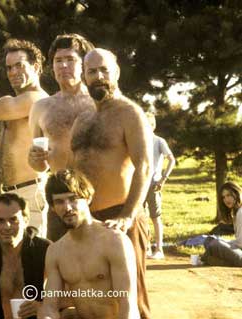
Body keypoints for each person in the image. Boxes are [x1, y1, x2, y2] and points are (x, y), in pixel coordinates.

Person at [70, 48, 153, 318]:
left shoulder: (130, 113)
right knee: (92, 299)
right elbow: (73, 168)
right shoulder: (82, 119)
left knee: (131, 299)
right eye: (92, 71)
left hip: (121, 217)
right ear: (83, 76)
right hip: (85, 221)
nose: (99, 76)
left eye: (105, 70)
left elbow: (145, 166)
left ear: (117, 73)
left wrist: (128, 215)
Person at [39, 170, 138, 319]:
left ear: (88, 198)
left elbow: (128, 306)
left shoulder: (114, 241)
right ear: (52, 208)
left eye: (73, 199)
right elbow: (50, 306)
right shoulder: (55, 251)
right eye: (59, 202)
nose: (67, 207)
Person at [0, 39, 49, 237]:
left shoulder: (35, 98)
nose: (13, 72)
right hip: (10, 194)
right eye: (9, 68)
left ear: (35, 66)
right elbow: (22, 144)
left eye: (19, 65)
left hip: (30, 193)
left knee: (33, 260)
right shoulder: (14, 102)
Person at [28, 34, 96, 242]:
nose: (63, 65)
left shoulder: (98, 104)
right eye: (58, 61)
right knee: (59, 266)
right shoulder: (41, 107)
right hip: (59, 201)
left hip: (97, 199)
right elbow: (38, 165)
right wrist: (35, 159)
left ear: (84, 65)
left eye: (70, 59)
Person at [0, 193, 51, 319]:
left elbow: (68, 296)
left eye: (13, 220)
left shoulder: (45, 250)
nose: (7, 226)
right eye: (0, 220)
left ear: (26, 221)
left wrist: (43, 305)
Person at [144, 112, 175, 260]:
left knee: (155, 217)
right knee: (142, 217)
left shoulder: (159, 141)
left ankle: (159, 249)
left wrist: (163, 179)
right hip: (139, 185)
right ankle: (147, 247)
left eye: (147, 123)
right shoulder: (137, 141)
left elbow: (171, 160)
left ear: (153, 125)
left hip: (154, 184)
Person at [201, 182, 242, 267]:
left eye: (229, 195)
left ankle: (211, 260)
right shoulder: (237, 212)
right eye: (223, 197)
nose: (226, 200)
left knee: (215, 243)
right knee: (210, 240)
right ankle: (212, 260)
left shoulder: (241, 213)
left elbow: (241, 243)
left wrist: (225, 243)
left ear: (237, 193)